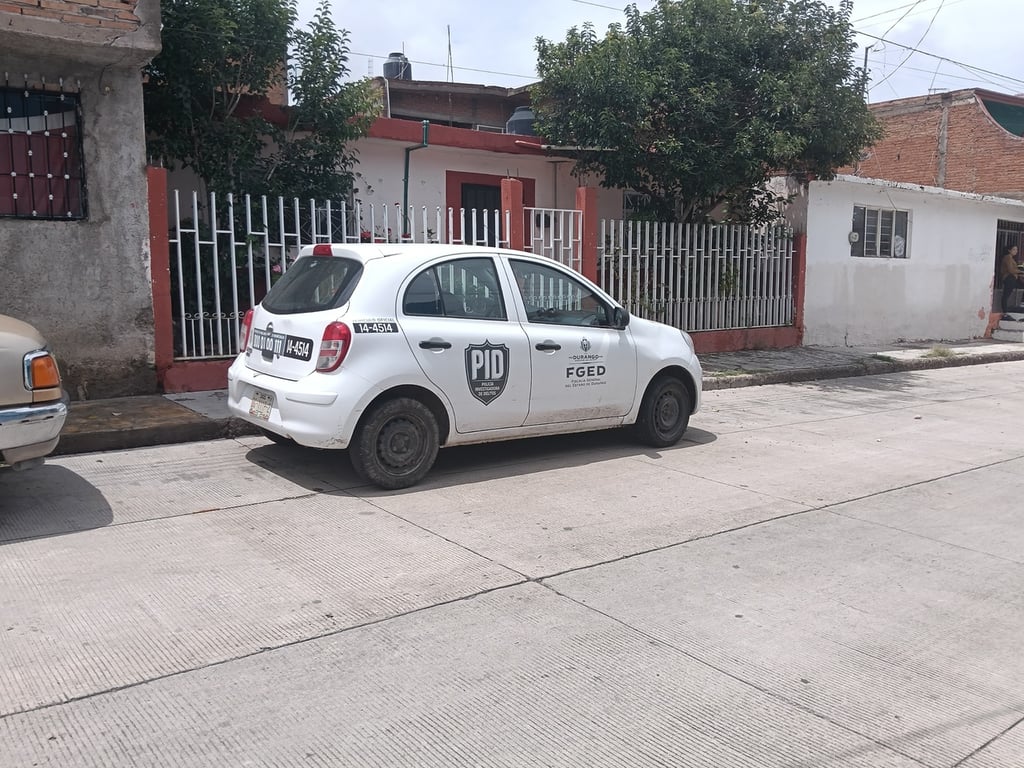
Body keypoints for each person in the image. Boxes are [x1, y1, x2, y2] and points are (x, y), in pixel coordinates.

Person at [999, 244, 1023, 315]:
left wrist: (1020, 273)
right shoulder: (1007, 257)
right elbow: (1011, 270)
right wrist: (1021, 271)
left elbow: (1014, 270)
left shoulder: (1011, 258)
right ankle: (1005, 311)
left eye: (1016, 249)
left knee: (1007, 294)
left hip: (1012, 278)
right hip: (1009, 278)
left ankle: (1021, 304)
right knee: (1006, 295)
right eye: (1014, 249)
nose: (1016, 251)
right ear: (1009, 250)